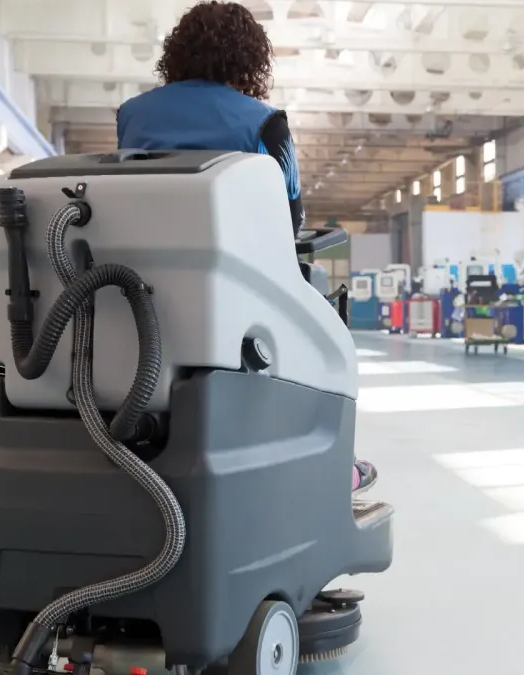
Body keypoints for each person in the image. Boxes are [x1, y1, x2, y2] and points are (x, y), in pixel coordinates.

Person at [116, 1, 377, 494]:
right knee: (318, 300)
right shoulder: (264, 122)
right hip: (236, 288)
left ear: (177, 54)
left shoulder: (131, 115)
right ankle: (332, 461)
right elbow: (292, 218)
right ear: (250, 59)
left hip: (140, 287)